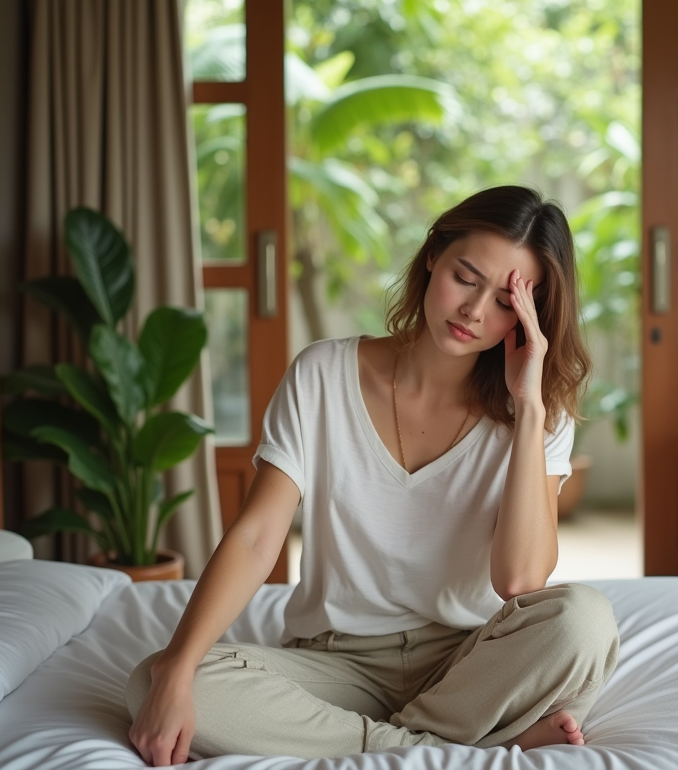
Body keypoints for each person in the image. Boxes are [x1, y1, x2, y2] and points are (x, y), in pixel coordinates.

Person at [125, 185, 621, 766]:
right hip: (337, 662)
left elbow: (520, 578)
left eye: (507, 302)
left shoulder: (540, 411)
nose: (475, 311)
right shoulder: (322, 374)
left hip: (470, 665)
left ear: (534, 316)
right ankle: (453, 749)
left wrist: (530, 408)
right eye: (466, 277)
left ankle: (404, 745)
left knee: (584, 621)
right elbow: (258, 537)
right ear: (433, 254)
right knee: (156, 682)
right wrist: (177, 670)